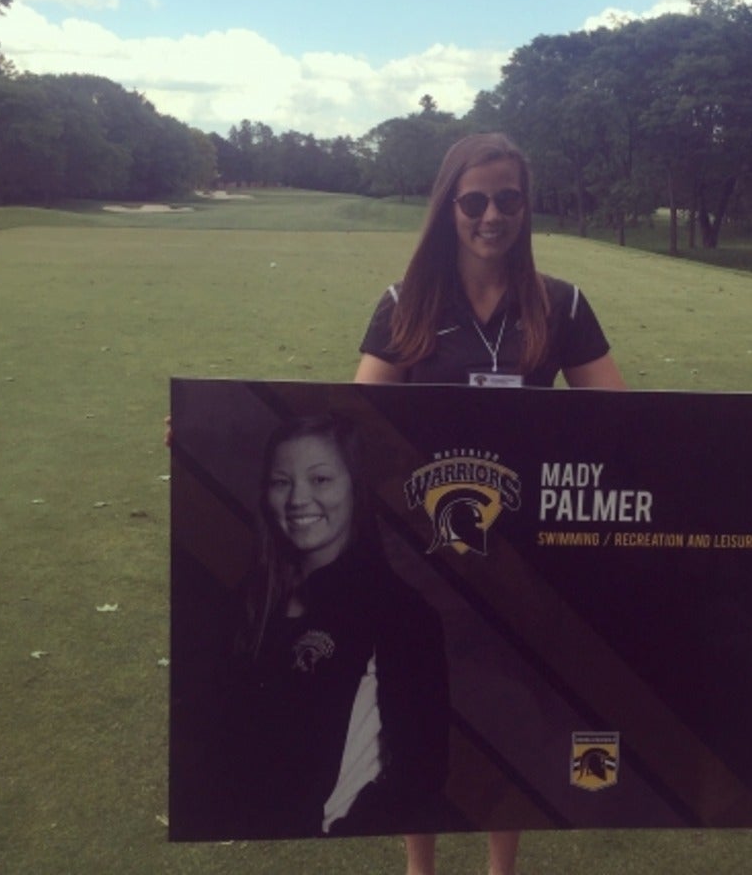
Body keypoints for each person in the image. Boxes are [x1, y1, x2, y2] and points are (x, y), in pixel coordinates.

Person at [355, 132, 626, 875]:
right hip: (420, 557)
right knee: (418, 711)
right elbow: (356, 425)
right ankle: (420, 869)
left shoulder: (561, 305)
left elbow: (629, 425)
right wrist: (209, 436)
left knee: (510, 712)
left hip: (519, 555)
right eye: (474, 201)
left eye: (508, 199)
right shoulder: (404, 307)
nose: (491, 216)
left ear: (526, 206)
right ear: (449, 207)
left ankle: (500, 870)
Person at [181, 413, 449, 840]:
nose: (298, 499)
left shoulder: (401, 614)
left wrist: (339, 840)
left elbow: (421, 774)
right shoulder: (247, 602)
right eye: (281, 482)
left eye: (320, 479)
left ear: (356, 487)